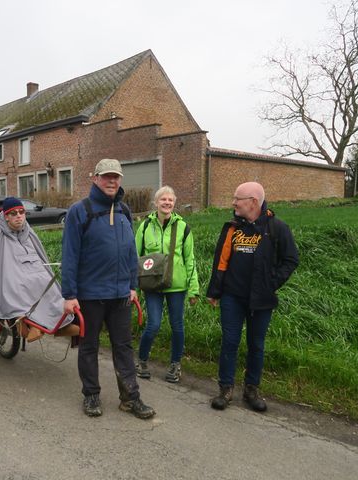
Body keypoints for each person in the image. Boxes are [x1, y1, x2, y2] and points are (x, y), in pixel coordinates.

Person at [62, 158, 155, 419]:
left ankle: (130, 397)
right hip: (90, 296)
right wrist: (69, 295)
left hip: (120, 296)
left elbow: (130, 252)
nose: (112, 181)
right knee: (89, 346)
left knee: (123, 347)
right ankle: (91, 395)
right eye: (106, 176)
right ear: (95, 178)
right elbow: (69, 255)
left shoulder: (125, 211)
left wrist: (133, 285)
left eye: (116, 177)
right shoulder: (80, 211)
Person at [206, 181, 298, 412]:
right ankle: (225, 389)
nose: (233, 203)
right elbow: (220, 261)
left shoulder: (277, 228)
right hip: (232, 297)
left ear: (253, 202)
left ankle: (251, 390)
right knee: (229, 342)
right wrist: (215, 291)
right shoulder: (231, 228)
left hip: (261, 300)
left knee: (256, 345)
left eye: (238, 198)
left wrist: (271, 283)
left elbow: (291, 260)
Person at [0, 197, 79, 341]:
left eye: (21, 212)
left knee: (48, 285)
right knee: (16, 287)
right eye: (13, 213)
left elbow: (40, 254)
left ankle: (58, 324)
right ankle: (29, 324)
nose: (18, 216)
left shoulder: (28, 231)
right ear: (6, 217)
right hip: (9, 272)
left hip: (33, 269)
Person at [134, 186, 200, 384]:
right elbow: (134, 257)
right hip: (152, 283)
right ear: (156, 203)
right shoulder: (145, 226)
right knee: (153, 324)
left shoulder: (183, 228)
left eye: (170, 200)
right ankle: (142, 361)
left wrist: (193, 289)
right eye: (163, 199)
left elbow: (190, 259)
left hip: (176, 286)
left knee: (177, 326)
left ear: (174, 203)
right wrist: (132, 287)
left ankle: (175, 365)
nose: (167, 203)